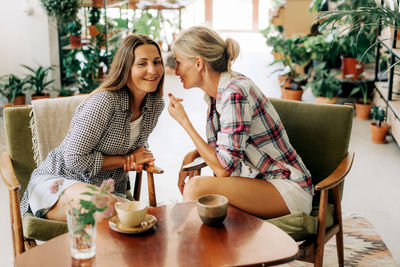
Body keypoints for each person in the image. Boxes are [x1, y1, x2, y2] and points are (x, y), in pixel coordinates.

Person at [168, 26, 314, 219]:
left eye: (178, 62)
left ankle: (190, 246)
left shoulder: (234, 93)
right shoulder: (216, 96)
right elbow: (231, 148)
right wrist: (194, 154)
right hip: (260, 182)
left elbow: (223, 169)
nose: (176, 70)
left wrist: (184, 121)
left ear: (198, 63)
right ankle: (199, 246)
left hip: (287, 189)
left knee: (196, 187)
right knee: (201, 201)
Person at [20, 34, 165, 222]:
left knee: (136, 220)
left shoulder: (155, 105)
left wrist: (136, 158)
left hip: (109, 190)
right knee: (110, 209)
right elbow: (73, 159)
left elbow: (136, 148)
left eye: (157, 62)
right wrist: (124, 160)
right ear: (126, 68)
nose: (152, 70)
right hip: (59, 182)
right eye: (142, 64)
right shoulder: (104, 102)